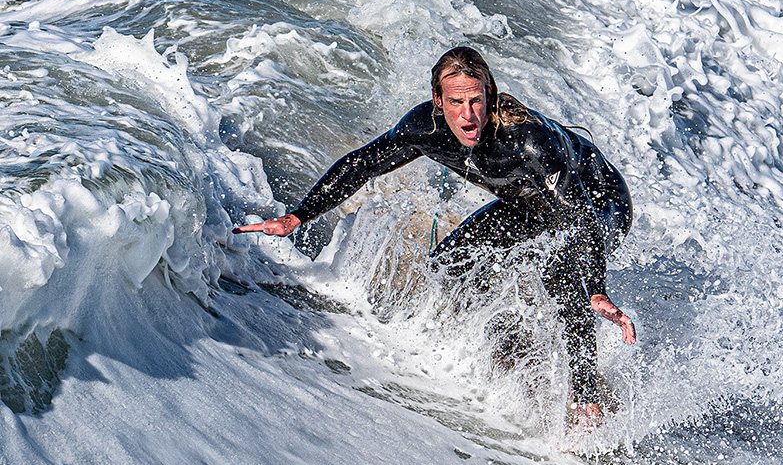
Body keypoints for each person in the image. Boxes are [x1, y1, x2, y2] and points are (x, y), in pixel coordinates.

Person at [235, 46, 636, 432]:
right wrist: (298, 216)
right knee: (449, 263)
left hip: (598, 203)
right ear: (437, 100)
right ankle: (517, 348)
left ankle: (587, 399)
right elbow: (364, 162)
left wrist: (596, 287)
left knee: (563, 274)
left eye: (477, 101)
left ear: (489, 95)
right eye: (456, 103)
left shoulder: (529, 142)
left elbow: (579, 218)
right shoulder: (425, 128)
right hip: (525, 203)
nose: (468, 116)